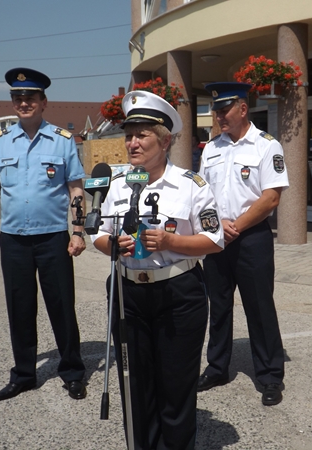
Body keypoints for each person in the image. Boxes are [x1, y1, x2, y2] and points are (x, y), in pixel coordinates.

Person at [91, 90, 224, 450]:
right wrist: (112, 244)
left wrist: (170, 242)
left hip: (177, 293)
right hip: (128, 294)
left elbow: (214, 240)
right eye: (129, 135)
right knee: (135, 384)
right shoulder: (117, 185)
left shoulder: (191, 186)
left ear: (164, 141)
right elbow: (98, 236)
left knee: (176, 385)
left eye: (142, 135)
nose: (132, 143)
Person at [0, 68, 88, 401]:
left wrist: (78, 231)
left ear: (43, 102)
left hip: (53, 238)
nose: (23, 103)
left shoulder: (62, 140)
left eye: (30, 97)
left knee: (62, 306)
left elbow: (75, 188)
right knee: (20, 308)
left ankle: (72, 372)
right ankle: (24, 374)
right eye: (18, 97)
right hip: (13, 239)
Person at [197, 82, 288, 406]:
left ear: (243, 109)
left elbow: (271, 197)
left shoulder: (266, 146)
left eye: (224, 110)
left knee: (259, 308)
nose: (219, 116)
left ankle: (270, 375)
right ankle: (217, 368)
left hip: (252, 239)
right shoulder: (211, 148)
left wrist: (236, 225)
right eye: (216, 111)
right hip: (217, 238)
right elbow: (202, 194)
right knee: (218, 306)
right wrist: (216, 224)